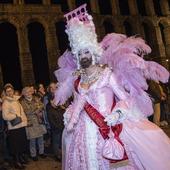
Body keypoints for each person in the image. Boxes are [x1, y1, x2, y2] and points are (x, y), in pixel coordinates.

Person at [54, 4, 170, 170]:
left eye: (86, 52)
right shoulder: (76, 80)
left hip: (108, 127)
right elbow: (77, 102)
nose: (83, 56)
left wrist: (117, 113)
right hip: (82, 132)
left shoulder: (107, 74)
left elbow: (125, 99)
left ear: (93, 53)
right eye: (80, 53)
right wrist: (70, 112)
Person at [2, 84, 28, 169]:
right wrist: (15, 116)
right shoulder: (6, 102)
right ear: (5, 93)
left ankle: (20, 158)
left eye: (11, 90)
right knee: (16, 145)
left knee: (21, 143)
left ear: (13, 90)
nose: (10, 92)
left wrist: (24, 120)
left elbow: (22, 111)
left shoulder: (16, 100)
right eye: (7, 91)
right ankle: (17, 162)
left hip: (21, 124)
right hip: (14, 127)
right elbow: (5, 116)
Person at [20, 87, 47, 161]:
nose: (29, 93)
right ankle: (33, 154)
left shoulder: (36, 98)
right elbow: (26, 111)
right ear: (24, 94)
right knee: (32, 140)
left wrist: (39, 109)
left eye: (29, 91)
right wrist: (36, 110)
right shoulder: (22, 102)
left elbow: (42, 105)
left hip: (38, 121)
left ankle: (41, 152)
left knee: (40, 138)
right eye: (26, 92)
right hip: (30, 122)